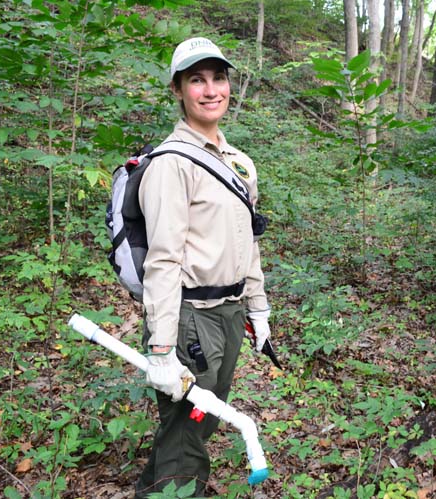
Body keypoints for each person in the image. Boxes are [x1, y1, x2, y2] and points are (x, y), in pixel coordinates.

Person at [134, 37, 272, 498]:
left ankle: (153, 489)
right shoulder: (171, 164)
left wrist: (258, 308)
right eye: (197, 80)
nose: (211, 90)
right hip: (191, 320)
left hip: (230, 315)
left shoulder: (238, 163)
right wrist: (161, 346)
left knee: (196, 424)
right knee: (186, 435)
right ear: (178, 89)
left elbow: (247, 243)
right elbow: (163, 259)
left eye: (218, 78)